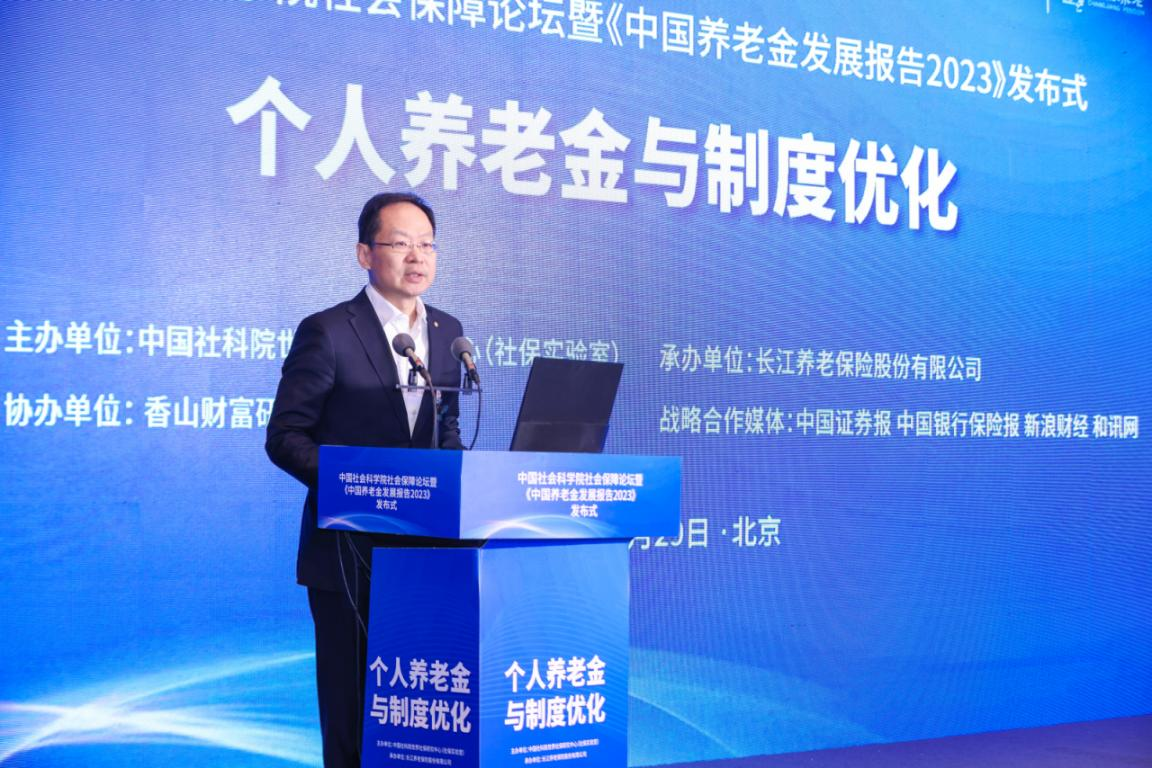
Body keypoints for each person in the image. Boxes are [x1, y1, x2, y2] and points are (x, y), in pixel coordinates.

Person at [266, 192, 466, 768]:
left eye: (426, 244)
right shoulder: (328, 331)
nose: (416, 257)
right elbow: (286, 436)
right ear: (364, 253)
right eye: (400, 243)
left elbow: (446, 433)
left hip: (427, 557)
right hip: (348, 556)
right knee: (354, 715)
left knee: (421, 713)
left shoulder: (448, 332)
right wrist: (362, 486)